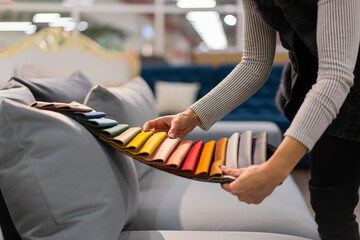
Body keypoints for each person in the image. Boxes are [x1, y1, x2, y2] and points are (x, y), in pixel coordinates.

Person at [143, 0, 360, 239]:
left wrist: (275, 170)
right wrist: (191, 116)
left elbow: (336, 74)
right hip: (312, 87)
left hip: (347, 89)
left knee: (335, 212)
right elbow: (254, 64)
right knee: (329, 206)